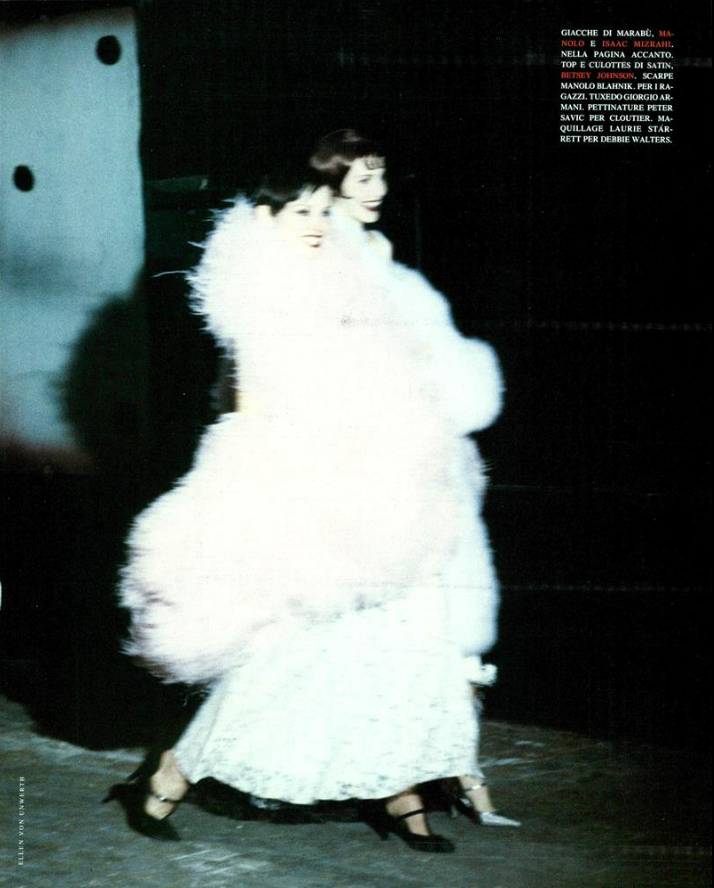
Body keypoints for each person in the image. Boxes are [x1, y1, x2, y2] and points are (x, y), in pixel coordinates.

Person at [106, 162, 495, 852]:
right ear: (264, 219)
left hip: (377, 493)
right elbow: (251, 414)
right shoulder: (258, 294)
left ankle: (402, 793)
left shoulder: (339, 277)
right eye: (301, 213)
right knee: (284, 661)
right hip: (310, 500)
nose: (318, 224)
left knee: (396, 645)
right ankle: (169, 778)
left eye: (322, 211)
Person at [310, 129, 520, 827]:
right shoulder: (324, 246)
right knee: (374, 615)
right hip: (365, 448)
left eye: (381, 176)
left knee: (433, 608)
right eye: (363, 178)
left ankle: (439, 774)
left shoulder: (377, 247)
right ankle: (405, 779)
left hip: (415, 442)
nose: (378, 190)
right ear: (332, 184)